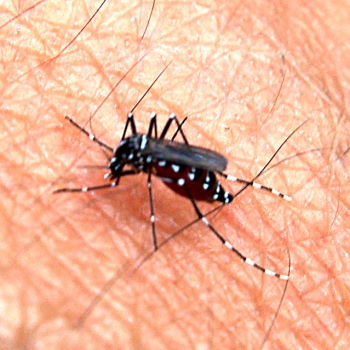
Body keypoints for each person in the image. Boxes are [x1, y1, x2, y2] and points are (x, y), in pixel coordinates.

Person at [1, 0, 348, 348]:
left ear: (126, 158)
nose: (118, 169)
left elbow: (147, 172)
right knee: (162, 135)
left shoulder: (143, 159)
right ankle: (217, 181)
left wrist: (154, 215)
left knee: (159, 168)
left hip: (180, 167)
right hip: (172, 158)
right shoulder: (136, 144)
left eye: (118, 165)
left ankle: (215, 221)